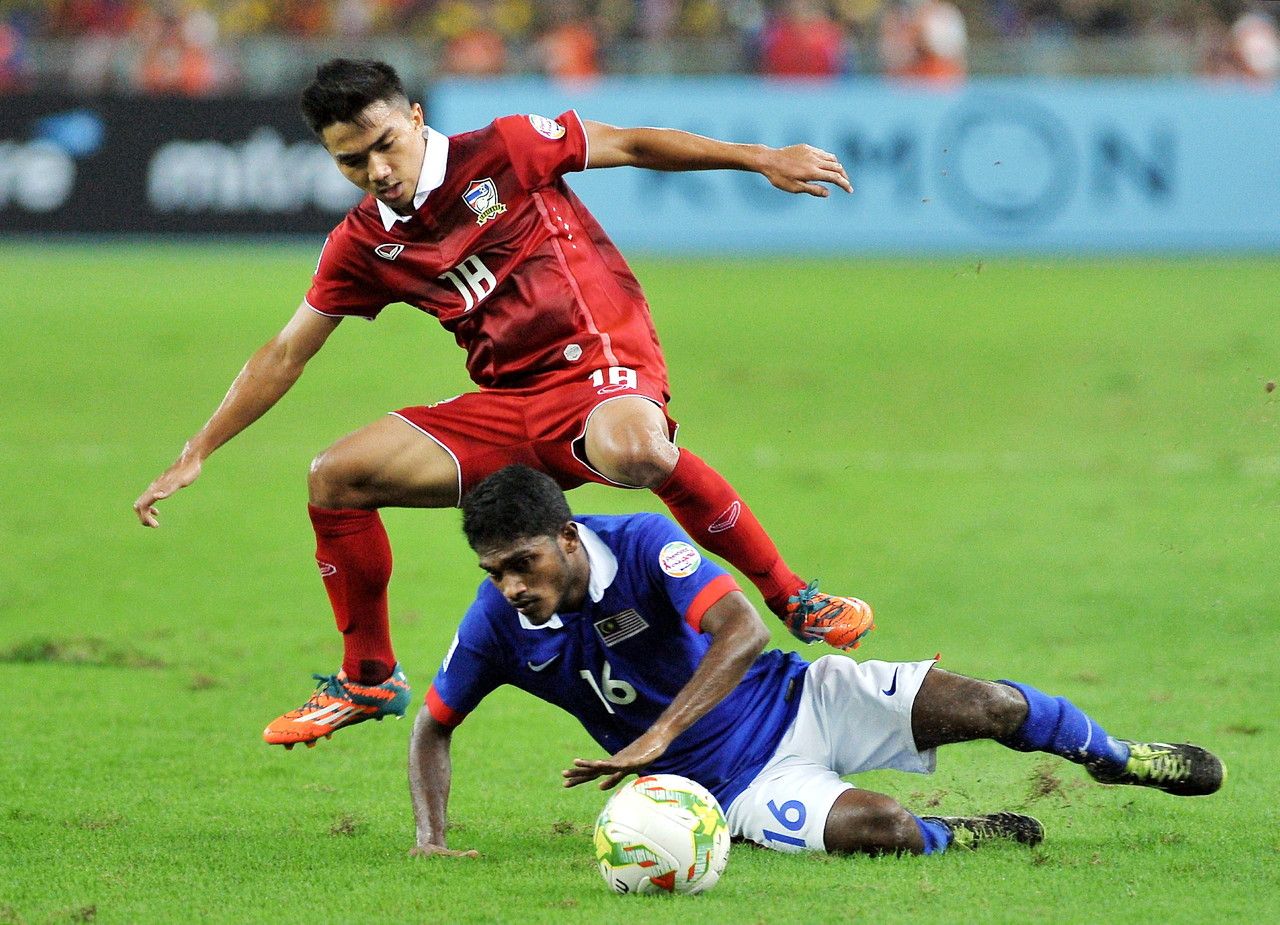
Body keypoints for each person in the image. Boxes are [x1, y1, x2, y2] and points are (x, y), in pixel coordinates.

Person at [132, 58, 873, 749]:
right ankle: (368, 677)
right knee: (335, 476)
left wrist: (760, 158)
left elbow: (633, 143)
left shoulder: (508, 149)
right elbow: (286, 351)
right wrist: (198, 450)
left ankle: (792, 597)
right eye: (351, 161)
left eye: (385, 145)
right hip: (510, 403)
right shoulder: (361, 244)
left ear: (416, 118)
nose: (377, 171)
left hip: (599, 366)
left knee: (638, 450)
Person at [409, 465, 1224, 858]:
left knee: (994, 707)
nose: (512, 586)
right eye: (495, 572)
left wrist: (658, 735)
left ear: (566, 536)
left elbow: (743, 632)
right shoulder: (497, 625)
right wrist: (431, 836)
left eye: (523, 563)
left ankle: (1117, 756)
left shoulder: (645, 543)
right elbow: (432, 726)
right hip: (734, 790)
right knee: (888, 827)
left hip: (803, 698)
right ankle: (957, 833)